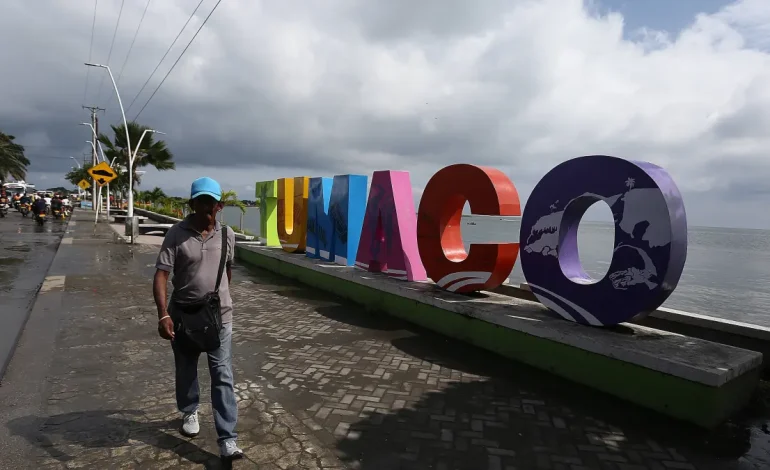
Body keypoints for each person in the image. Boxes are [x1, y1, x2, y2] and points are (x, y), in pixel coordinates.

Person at [152, 177, 242, 460]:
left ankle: (227, 438)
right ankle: (189, 411)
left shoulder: (227, 235)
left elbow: (227, 271)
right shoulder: (176, 234)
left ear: (219, 206)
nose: (205, 208)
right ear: (191, 204)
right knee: (187, 368)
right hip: (183, 315)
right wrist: (163, 314)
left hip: (219, 316)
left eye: (210, 203)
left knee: (222, 374)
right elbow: (161, 275)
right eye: (199, 201)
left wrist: (219, 298)